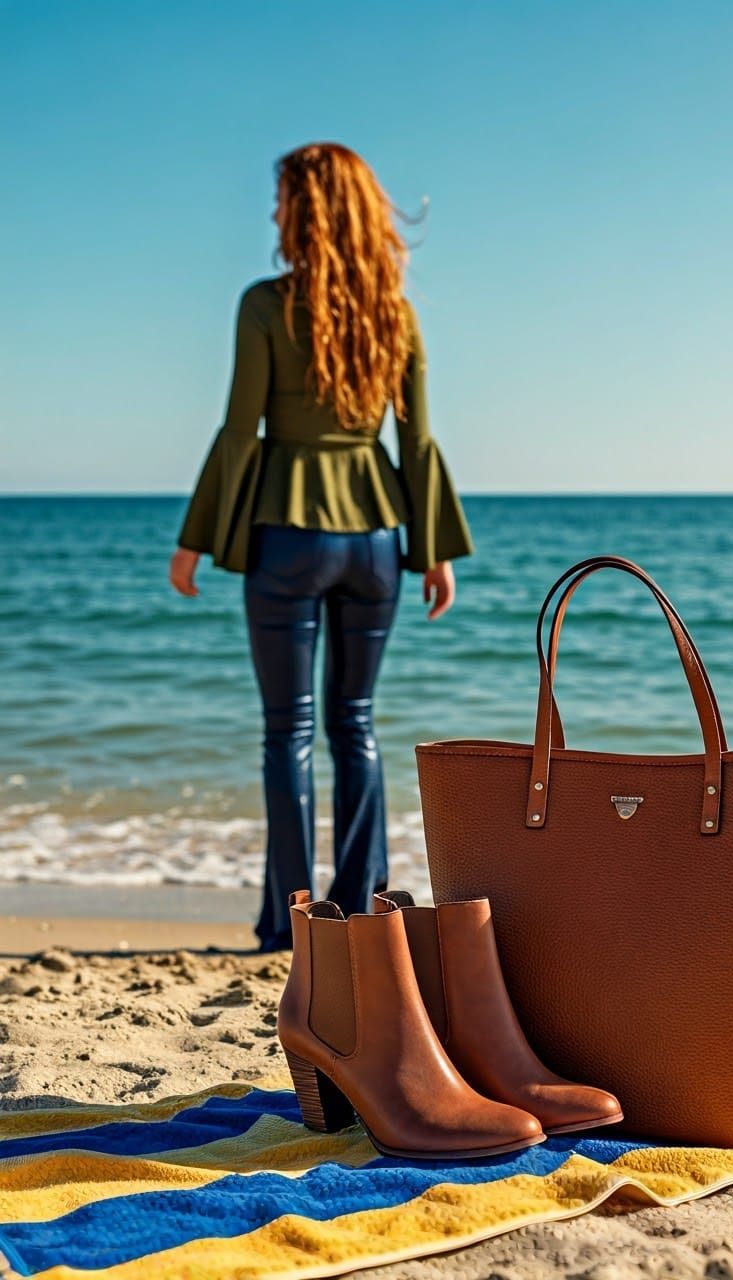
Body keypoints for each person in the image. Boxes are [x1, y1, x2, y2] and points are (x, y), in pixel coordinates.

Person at [169, 142, 473, 951]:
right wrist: (433, 548)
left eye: (278, 200)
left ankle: (288, 923)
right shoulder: (395, 314)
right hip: (375, 537)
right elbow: (419, 445)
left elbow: (241, 433)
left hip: (286, 537)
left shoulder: (264, 305)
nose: (270, 213)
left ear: (303, 211)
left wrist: (195, 539)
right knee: (357, 724)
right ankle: (362, 918)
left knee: (288, 732)